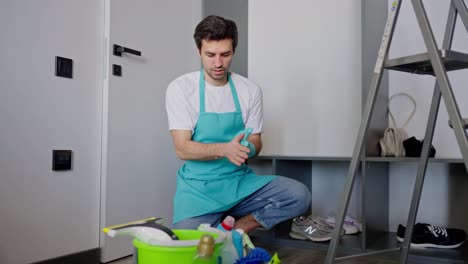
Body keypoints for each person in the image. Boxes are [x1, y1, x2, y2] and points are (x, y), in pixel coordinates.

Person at [166, 15, 311, 233]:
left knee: (299, 195)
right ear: (199, 51)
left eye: (225, 54)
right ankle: (219, 228)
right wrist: (225, 149)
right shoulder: (181, 89)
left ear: (234, 50)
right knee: (190, 248)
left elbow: (256, 142)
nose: (218, 63)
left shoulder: (249, 90)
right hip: (198, 190)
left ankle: (236, 230)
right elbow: (182, 148)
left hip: (239, 184)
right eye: (210, 55)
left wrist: (245, 148)